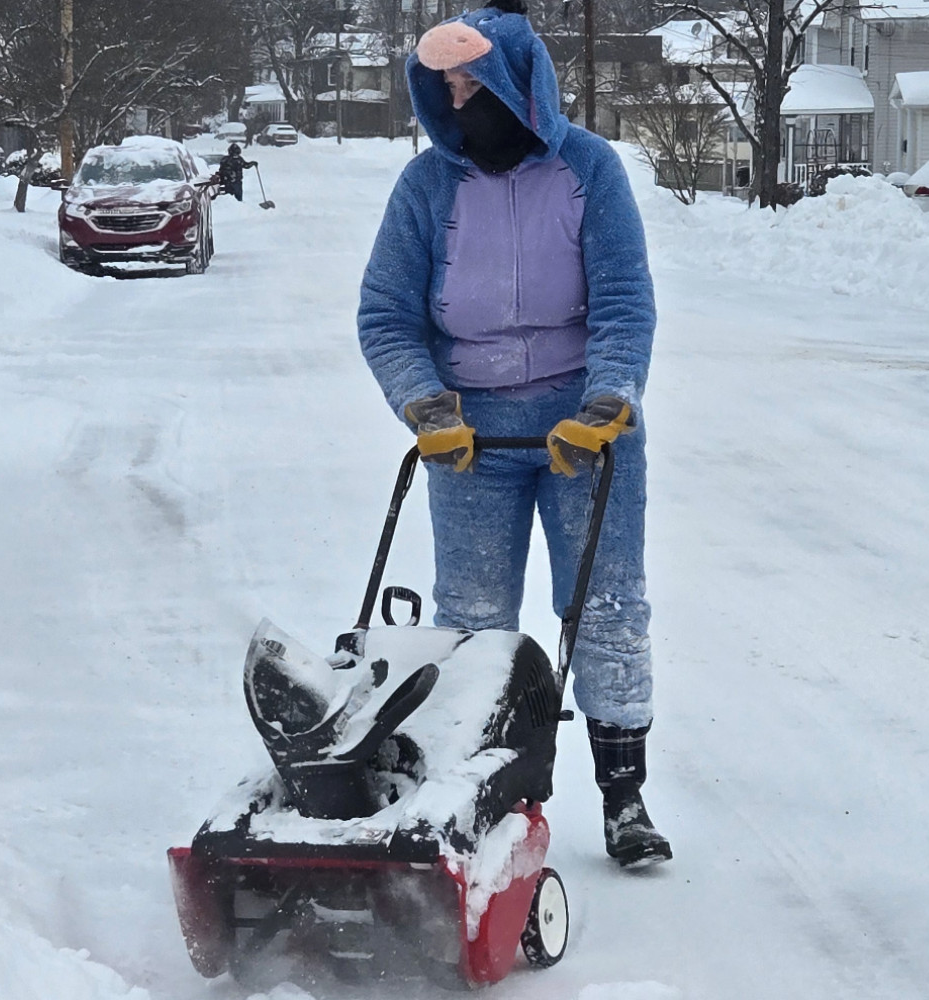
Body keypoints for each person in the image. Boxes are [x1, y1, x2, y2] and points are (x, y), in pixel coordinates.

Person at [357, 1, 669, 866]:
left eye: (473, 85)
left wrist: (606, 402)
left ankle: (624, 797)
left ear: (515, 81)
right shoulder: (427, 186)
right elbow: (386, 315)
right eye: (447, 90)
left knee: (603, 610)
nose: (460, 105)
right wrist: (426, 407)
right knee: (473, 623)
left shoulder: (588, 169)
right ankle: (474, 792)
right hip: (471, 437)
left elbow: (622, 300)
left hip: (584, 431)